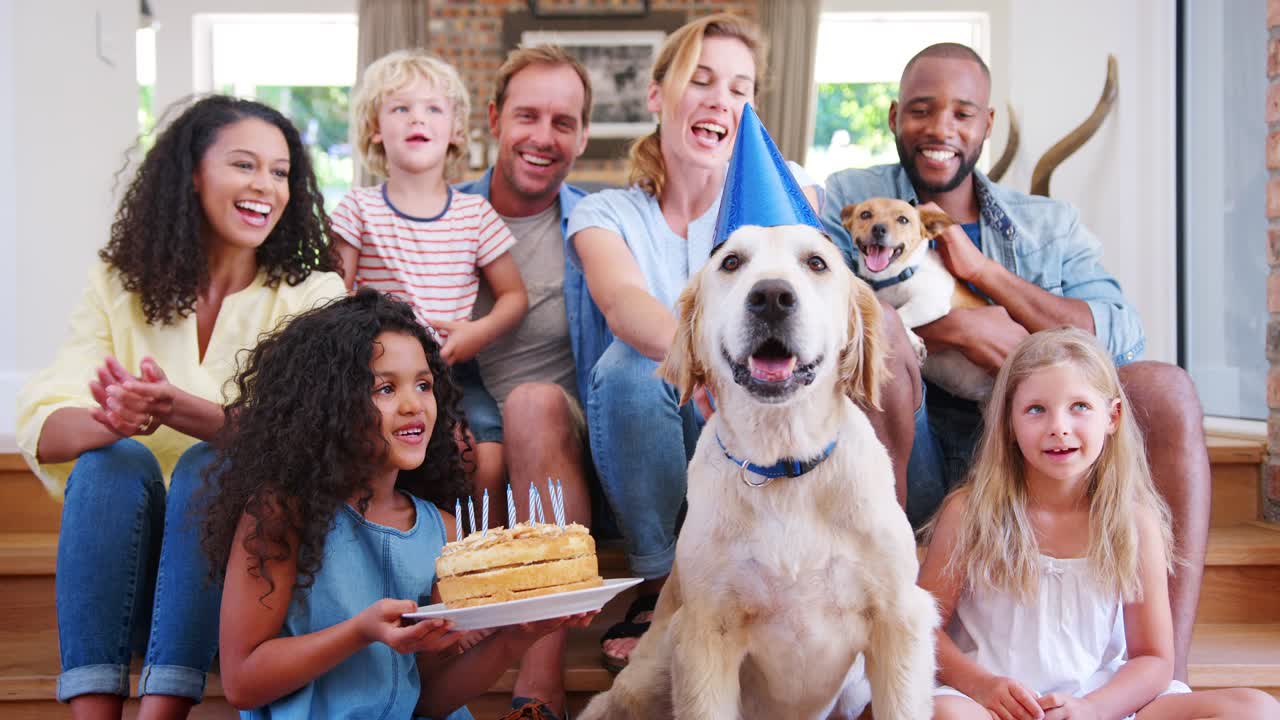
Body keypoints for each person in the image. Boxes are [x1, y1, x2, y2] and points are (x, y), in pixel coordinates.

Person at [819, 42, 1211, 683]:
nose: (941, 128)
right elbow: (822, 309)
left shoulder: (1047, 225)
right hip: (906, 441)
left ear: (987, 124)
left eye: (962, 113)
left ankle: (1162, 677)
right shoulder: (854, 198)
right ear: (893, 117)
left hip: (1035, 454)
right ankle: (882, 659)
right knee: (879, 332)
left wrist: (985, 275)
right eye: (921, 110)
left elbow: (1120, 334)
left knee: (1166, 389)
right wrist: (960, 329)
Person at [567, 12, 921, 671]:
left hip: (777, 423)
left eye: (739, 88)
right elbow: (624, 305)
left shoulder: (790, 188)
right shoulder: (606, 213)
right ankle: (659, 588)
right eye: (700, 80)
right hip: (669, 413)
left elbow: (821, 310)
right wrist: (710, 367)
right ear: (657, 94)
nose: (719, 100)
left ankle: (878, 555)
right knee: (628, 367)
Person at [14, 95, 346, 718]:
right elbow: (44, 421)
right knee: (110, 459)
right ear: (193, 174)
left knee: (209, 463)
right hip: (128, 589)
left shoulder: (313, 295)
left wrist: (177, 409)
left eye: (280, 172)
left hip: (247, 591)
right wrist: (108, 421)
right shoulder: (119, 285)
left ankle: (162, 712)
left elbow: (306, 436)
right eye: (244, 165)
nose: (266, 186)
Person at [201, 290, 594, 720]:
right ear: (328, 403)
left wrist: (518, 637)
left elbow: (428, 698)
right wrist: (360, 632)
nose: (413, 406)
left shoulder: (443, 530)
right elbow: (241, 682)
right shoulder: (282, 514)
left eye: (423, 385)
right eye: (386, 388)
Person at [919, 328, 1279, 720]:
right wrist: (982, 686)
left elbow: (1154, 658)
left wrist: (1093, 709)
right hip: (993, 706)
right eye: (1036, 410)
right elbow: (920, 627)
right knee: (946, 714)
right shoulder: (969, 513)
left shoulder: (1133, 522)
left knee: (1256, 709)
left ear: (1112, 416)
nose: (1059, 427)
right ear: (1008, 422)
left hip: (1101, 702)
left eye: (1079, 407)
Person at [454, 45, 595, 720]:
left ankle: (540, 685)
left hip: (570, 436)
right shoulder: (442, 214)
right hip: (468, 432)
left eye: (563, 122)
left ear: (583, 136)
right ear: (494, 120)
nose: (544, 136)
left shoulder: (597, 224)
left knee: (531, 403)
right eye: (527, 116)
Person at [331, 48, 529, 501]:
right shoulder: (358, 208)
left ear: (455, 130)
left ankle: (482, 544)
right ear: (375, 128)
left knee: (484, 453)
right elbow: (332, 296)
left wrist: (477, 333)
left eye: (433, 109)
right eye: (400, 108)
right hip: (375, 369)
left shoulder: (474, 213)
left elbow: (515, 296)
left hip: (452, 368)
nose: (417, 118)